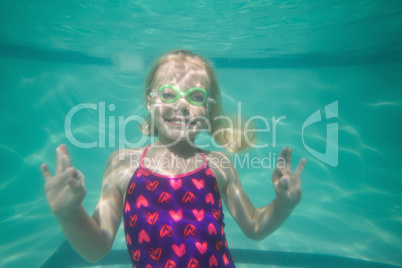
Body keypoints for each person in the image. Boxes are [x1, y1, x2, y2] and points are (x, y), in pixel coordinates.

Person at [41, 50, 306, 268]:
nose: (181, 104)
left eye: (196, 96)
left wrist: (282, 205)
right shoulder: (123, 164)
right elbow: (96, 249)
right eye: (169, 94)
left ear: (209, 108)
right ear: (150, 100)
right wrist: (69, 213)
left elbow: (254, 227)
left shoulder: (219, 166)